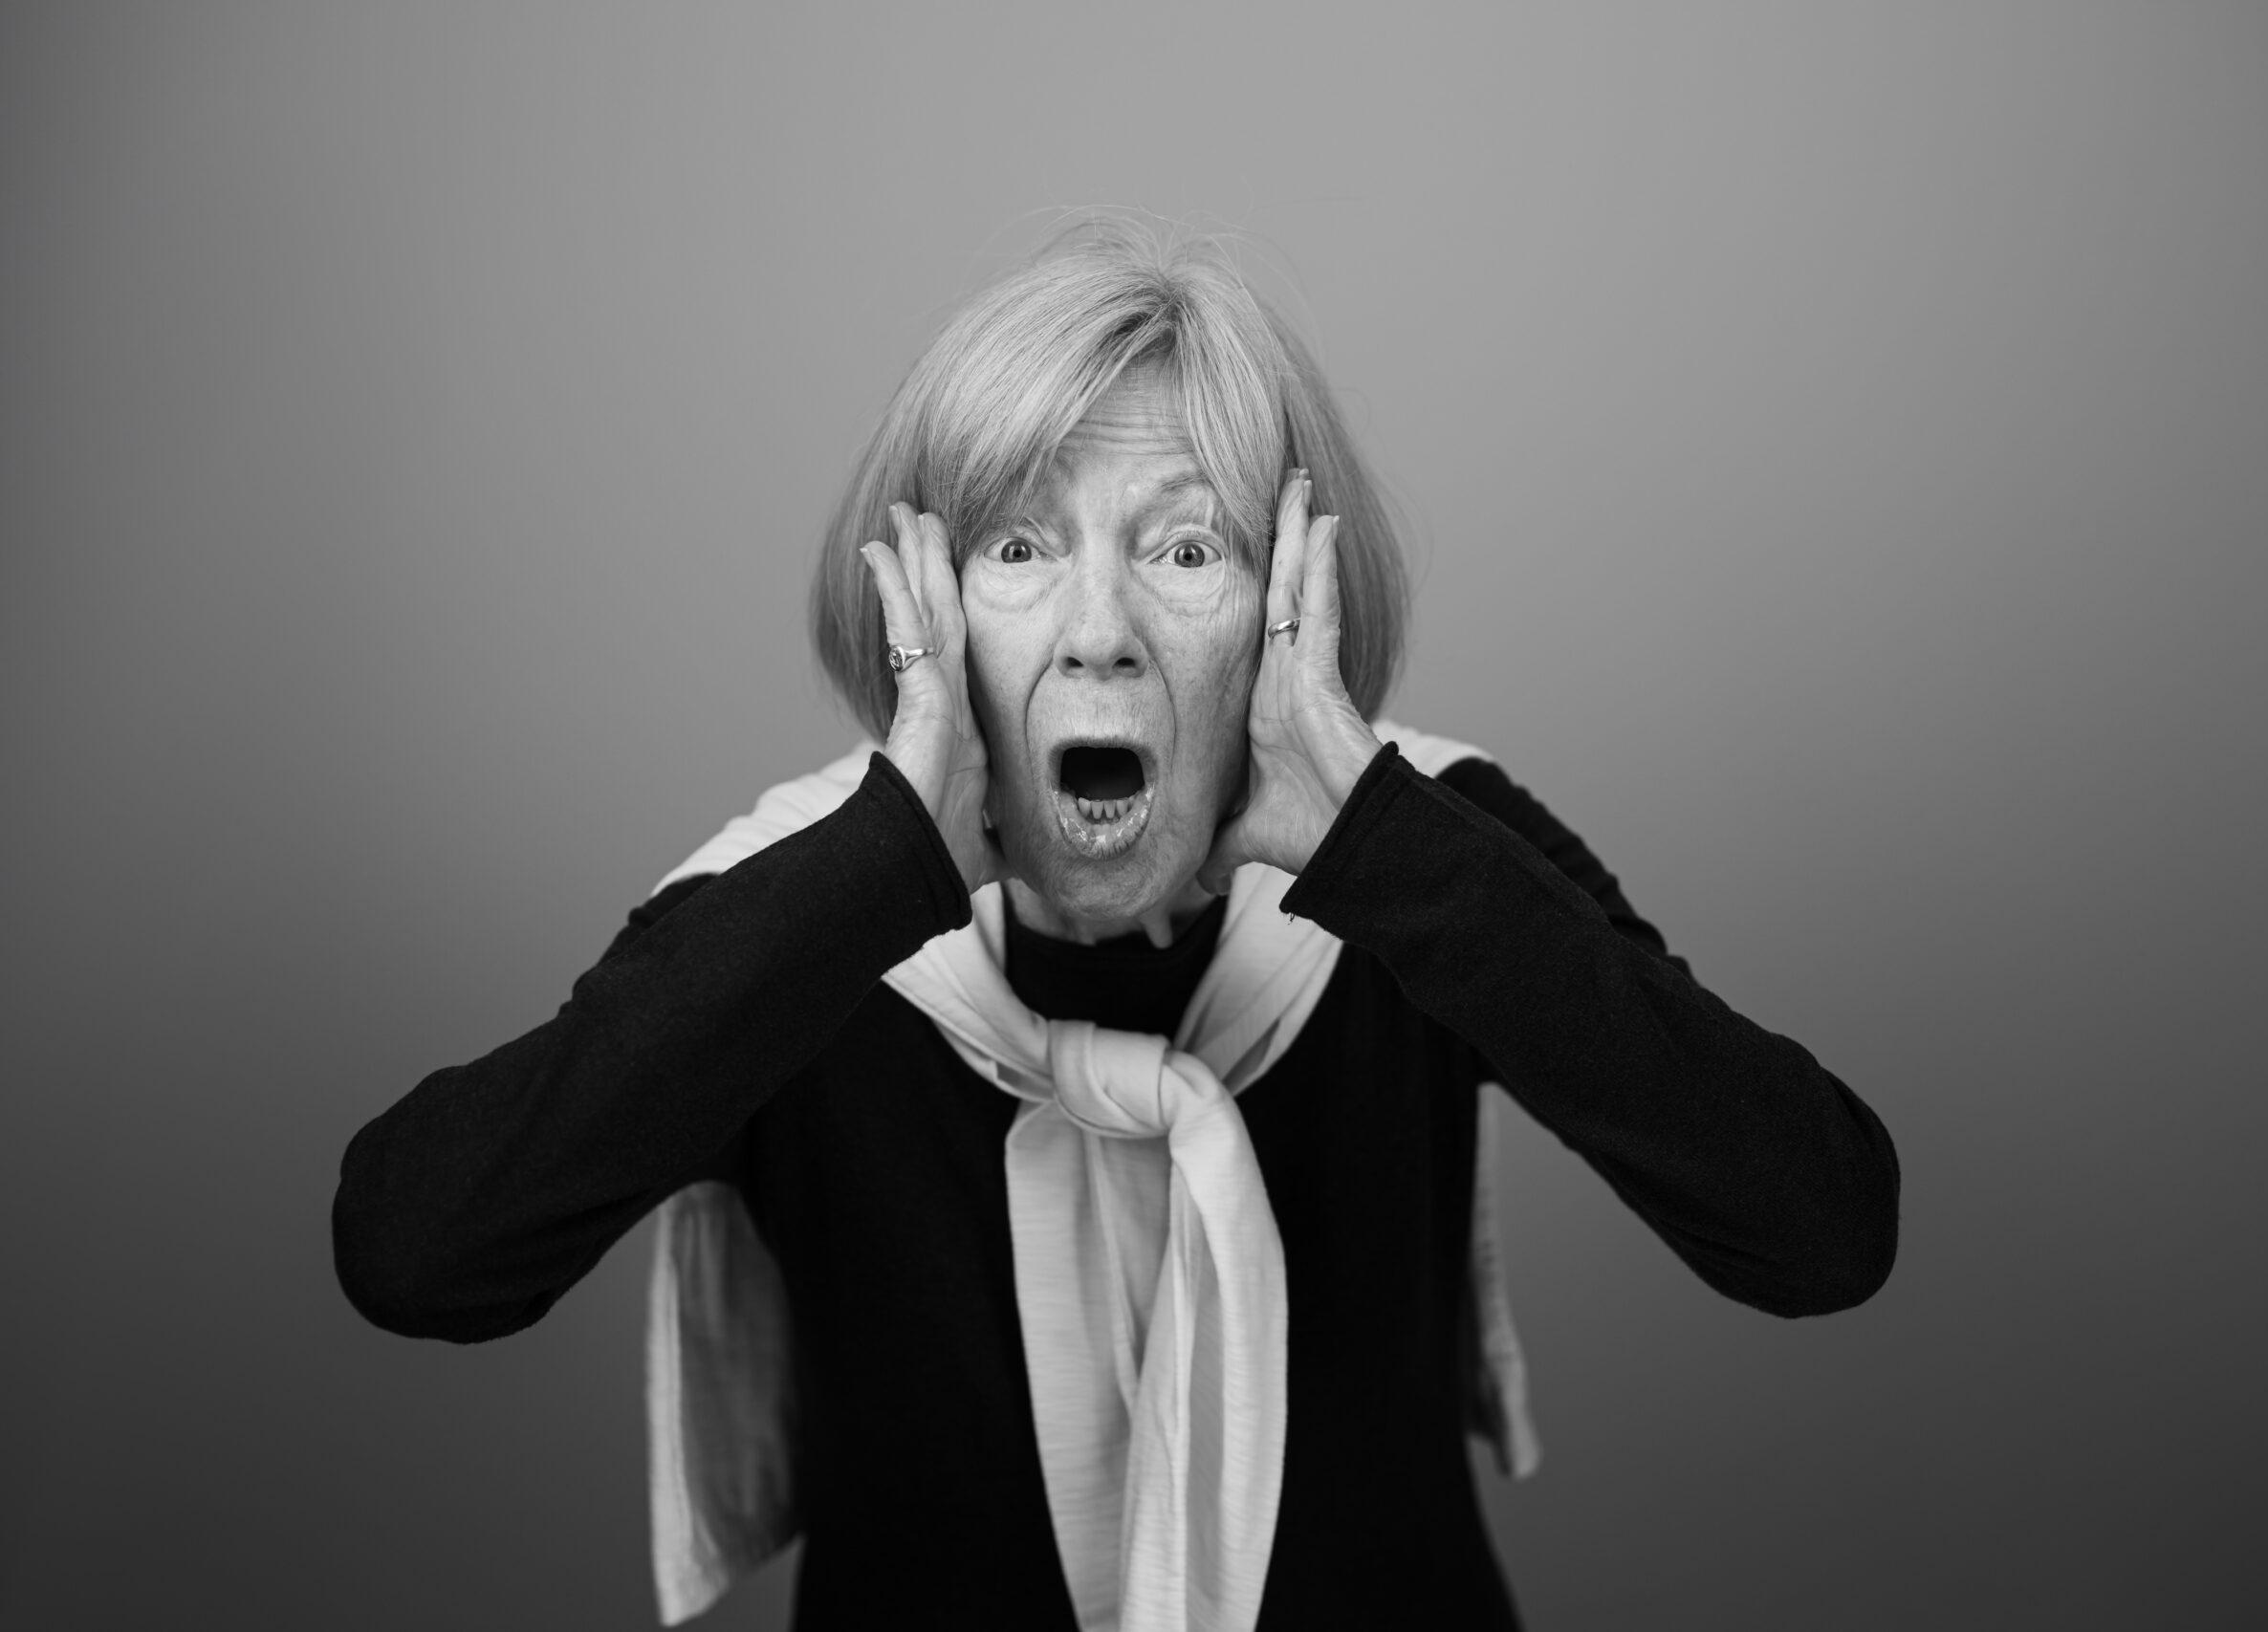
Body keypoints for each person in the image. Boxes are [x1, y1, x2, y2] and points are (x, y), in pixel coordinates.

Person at [332, 217, 1901, 1632]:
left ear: (1297, 606)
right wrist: (878, 869)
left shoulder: (1430, 851)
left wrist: (1380, 847)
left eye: (1185, 547)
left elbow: (1821, 1227)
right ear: (922, 613)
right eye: (1018, 550)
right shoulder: (800, 905)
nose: (1099, 635)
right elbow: (416, 1251)